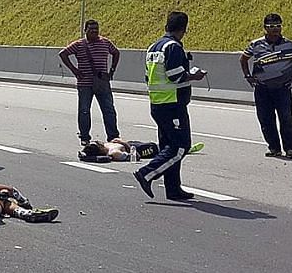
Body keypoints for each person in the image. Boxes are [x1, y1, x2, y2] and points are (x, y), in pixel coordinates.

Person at [133, 11, 207, 201]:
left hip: (158, 103)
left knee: (168, 145)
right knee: (181, 146)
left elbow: (148, 76)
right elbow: (176, 75)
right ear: (184, 29)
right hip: (172, 103)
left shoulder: (154, 47)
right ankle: (147, 173)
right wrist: (194, 75)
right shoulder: (173, 47)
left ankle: (173, 189)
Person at [240, 13, 292, 159]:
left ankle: (290, 148)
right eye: (271, 26)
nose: (275, 29)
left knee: (286, 118)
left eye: (278, 26)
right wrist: (248, 76)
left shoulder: (290, 45)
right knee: (265, 119)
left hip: (282, 88)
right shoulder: (256, 45)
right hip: (262, 88)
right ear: (265, 28)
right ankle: (274, 148)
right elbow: (243, 59)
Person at [59, 19, 121, 145]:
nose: (94, 31)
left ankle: (113, 136)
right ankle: (85, 137)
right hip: (85, 83)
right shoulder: (79, 44)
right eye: (91, 29)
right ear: (85, 30)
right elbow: (63, 54)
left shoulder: (105, 42)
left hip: (102, 81)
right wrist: (75, 70)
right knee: (84, 110)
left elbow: (116, 53)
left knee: (108, 109)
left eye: (96, 29)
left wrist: (112, 70)